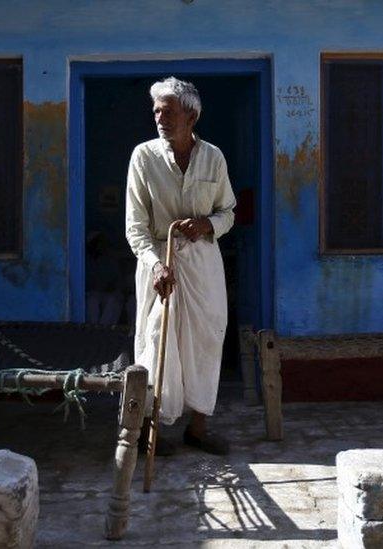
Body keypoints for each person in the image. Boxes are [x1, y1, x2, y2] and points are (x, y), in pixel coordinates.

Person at [125, 77, 236, 455]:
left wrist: (209, 224)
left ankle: (198, 429)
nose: (159, 117)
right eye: (156, 110)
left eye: (168, 111)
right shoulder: (143, 156)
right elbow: (135, 226)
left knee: (207, 338)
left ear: (190, 115)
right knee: (157, 341)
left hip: (203, 264)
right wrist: (156, 265)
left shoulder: (214, 157)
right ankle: (148, 430)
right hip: (160, 263)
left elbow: (228, 212)